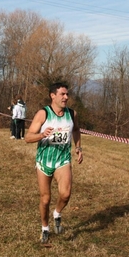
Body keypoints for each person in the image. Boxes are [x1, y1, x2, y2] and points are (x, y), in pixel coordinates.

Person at [25, 82, 83, 244]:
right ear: (53, 96)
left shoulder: (72, 114)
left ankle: (57, 213)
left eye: (67, 94)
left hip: (62, 159)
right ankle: (45, 228)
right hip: (44, 160)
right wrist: (42, 134)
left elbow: (76, 130)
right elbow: (28, 137)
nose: (66, 97)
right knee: (45, 199)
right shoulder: (43, 114)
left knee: (65, 194)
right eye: (62, 94)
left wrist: (78, 147)